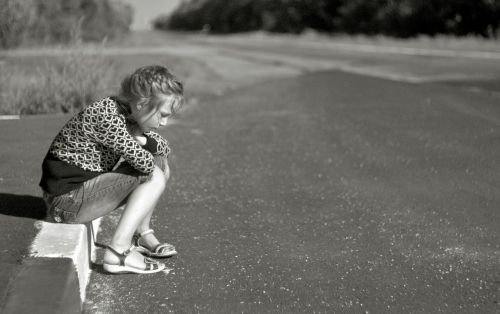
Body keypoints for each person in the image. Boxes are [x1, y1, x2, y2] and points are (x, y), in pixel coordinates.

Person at [39, 65, 184, 274]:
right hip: (66, 203)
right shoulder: (107, 116)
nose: (165, 122)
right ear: (143, 104)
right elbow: (144, 164)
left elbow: (163, 149)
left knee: (159, 163)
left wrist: (141, 138)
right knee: (154, 174)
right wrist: (141, 139)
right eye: (162, 114)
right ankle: (119, 252)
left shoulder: (127, 112)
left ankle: (141, 234)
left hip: (77, 195)